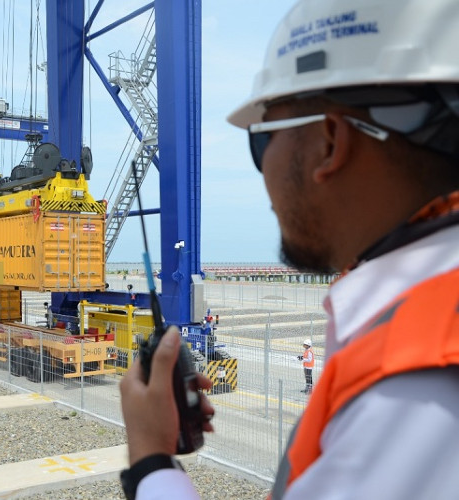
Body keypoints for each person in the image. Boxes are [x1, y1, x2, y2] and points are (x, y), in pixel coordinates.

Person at [119, 0, 459, 498]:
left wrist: (150, 458)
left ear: (328, 142)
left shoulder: (412, 379)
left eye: (260, 142)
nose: (264, 175)